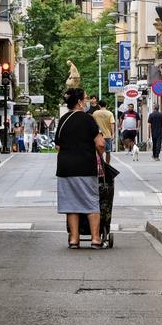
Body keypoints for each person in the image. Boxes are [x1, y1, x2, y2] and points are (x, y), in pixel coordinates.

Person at [55, 88, 105, 248]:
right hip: (85, 166)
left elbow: (58, 146)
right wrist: (100, 156)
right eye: (85, 98)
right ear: (78, 102)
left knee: (71, 205)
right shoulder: (88, 120)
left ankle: (74, 239)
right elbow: (101, 143)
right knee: (91, 202)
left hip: (65, 168)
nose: (87, 101)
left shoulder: (63, 120)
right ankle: (96, 239)